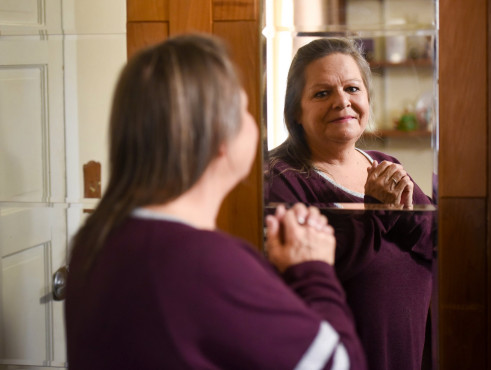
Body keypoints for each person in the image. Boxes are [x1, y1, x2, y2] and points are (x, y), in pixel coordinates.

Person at [65, 34, 368, 370]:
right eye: (242, 109)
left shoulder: (95, 240)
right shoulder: (206, 263)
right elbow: (341, 364)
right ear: (218, 137)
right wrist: (313, 270)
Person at [265, 37, 436, 370]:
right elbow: (310, 274)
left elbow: (433, 238)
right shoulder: (281, 178)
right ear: (296, 110)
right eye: (322, 93)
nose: (342, 101)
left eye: (353, 89)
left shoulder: (384, 163)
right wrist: (377, 210)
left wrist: (391, 213)